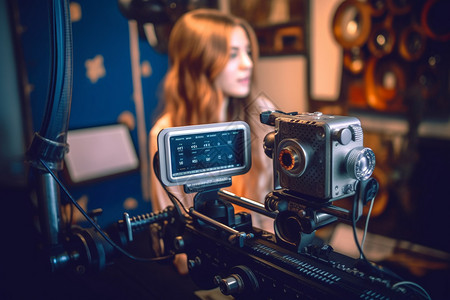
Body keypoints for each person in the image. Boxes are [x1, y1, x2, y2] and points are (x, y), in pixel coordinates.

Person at [148, 8, 275, 275]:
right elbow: (178, 243)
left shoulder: (259, 111)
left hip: (266, 257)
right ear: (198, 60)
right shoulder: (166, 133)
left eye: (248, 52)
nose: (248, 63)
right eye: (232, 54)